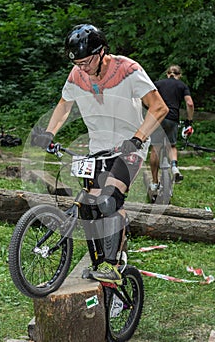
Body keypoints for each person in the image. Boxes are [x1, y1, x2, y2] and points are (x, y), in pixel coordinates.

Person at [31, 24, 168, 284]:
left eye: (86, 62)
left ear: (102, 51)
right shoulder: (76, 75)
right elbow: (64, 106)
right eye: (77, 63)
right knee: (90, 208)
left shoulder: (129, 70)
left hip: (129, 146)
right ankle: (104, 265)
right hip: (98, 149)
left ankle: (114, 267)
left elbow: (159, 108)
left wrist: (138, 137)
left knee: (110, 201)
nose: (81, 68)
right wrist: (49, 133)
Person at [149, 65, 194, 194]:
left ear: (168, 74)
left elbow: (147, 99)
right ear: (179, 75)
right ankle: (174, 167)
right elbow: (189, 103)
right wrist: (189, 121)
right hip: (172, 119)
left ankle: (154, 182)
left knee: (155, 148)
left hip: (158, 118)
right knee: (172, 146)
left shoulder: (158, 84)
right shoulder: (182, 86)